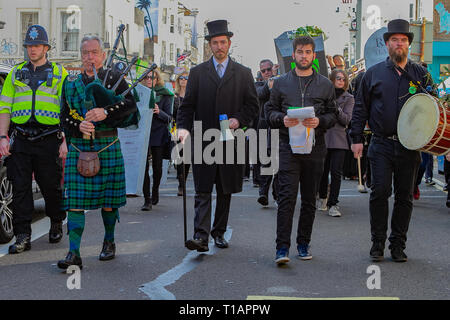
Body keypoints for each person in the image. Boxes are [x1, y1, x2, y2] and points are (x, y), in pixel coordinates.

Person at [350, 19, 433, 263]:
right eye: (394, 40)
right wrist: (356, 139)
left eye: (403, 40)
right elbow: (360, 108)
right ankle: (377, 243)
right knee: (379, 192)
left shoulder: (421, 74)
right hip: (381, 143)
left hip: (411, 145)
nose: (399, 44)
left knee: (405, 196)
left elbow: (434, 107)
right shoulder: (372, 74)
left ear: (409, 44)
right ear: (387, 44)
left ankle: (398, 244)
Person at [177, 20, 259, 252]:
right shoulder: (197, 73)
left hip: (229, 140)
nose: (219, 46)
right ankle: (200, 235)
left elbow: (253, 106)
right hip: (203, 139)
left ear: (229, 43)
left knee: (225, 189)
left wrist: (239, 120)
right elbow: (187, 106)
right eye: (215, 43)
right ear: (210, 45)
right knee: (203, 189)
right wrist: (183, 129)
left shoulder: (243, 73)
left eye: (223, 42)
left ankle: (219, 232)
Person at [57, 35, 137, 269]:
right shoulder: (70, 84)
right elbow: (63, 117)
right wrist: (77, 125)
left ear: (102, 54)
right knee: (74, 201)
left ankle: (109, 241)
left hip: (107, 145)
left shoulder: (115, 78)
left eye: (94, 52)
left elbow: (130, 106)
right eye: (85, 52)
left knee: (108, 201)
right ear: (80, 55)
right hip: (79, 146)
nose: (89, 57)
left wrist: (106, 113)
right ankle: (74, 253)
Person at [265, 35, 337, 265]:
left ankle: (303, 244)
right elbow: (269, 111)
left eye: (307, 52)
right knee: (286, 198)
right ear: (293, 55)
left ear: (313, 56)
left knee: (308, 200)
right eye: (300, 52)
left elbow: (333, 114)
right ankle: (281, 248)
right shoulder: (281, 83)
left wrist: (320, 122)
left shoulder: (325, 84)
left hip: (315, 148)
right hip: (288, 147)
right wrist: (281, 118)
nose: (303, 56)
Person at [0, 25, 68, 254]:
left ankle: (56, 220)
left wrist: (64, 140)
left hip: (48, 138)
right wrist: (3, 137)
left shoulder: (60, 73)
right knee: (20, 189)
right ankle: (22, 236)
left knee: (50, 186)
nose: (32, 50)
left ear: (46, 48)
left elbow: (66, 110)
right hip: (20, 138)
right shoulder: (15, 73)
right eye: (29, 46)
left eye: (37, 46)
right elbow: (5, 107)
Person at [318, 69, 354, 217]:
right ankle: (322, 198)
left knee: (336, 173)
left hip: (339, 140)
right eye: (338, 78)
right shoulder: (324, 96)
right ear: (331, 79)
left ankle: (334, 203)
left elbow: (346, 120)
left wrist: (336, 108)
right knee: (322, 172)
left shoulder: (349, 98)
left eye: (343, 79)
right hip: (324, 138)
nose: (341, 81)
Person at [141, 68, 174, 211]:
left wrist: (158, 111)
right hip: (143, 133)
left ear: (157, 79)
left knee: (157, 166)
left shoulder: (165, 95)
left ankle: (155, 190)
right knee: (143, 167)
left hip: (158, 133)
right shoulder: (139, 93)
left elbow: (169, 118)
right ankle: (146, 199)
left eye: (152, 77)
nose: (149, 79)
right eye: (147, 77)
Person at [255, 59, 279, 207]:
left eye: (269, 69)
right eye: (263, 71)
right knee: (265, 161)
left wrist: (276, 78)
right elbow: (262, 93)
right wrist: (272, 79)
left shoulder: (281, 81)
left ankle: (277, 195)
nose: (266, 73)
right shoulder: (258, 85)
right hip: (264, 126)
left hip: (278, 125)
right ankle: (263, 193)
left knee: (277, 161)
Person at [173, 71, 190, 197]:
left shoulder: (192, 96)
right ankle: (180, 177)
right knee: (178, 158)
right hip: (176, 129)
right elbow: (171, 114)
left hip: (189, 129)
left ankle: (182, 183)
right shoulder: (174, 96)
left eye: (186, 78)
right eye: (181, 78)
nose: (183, 80)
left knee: (187, 157)